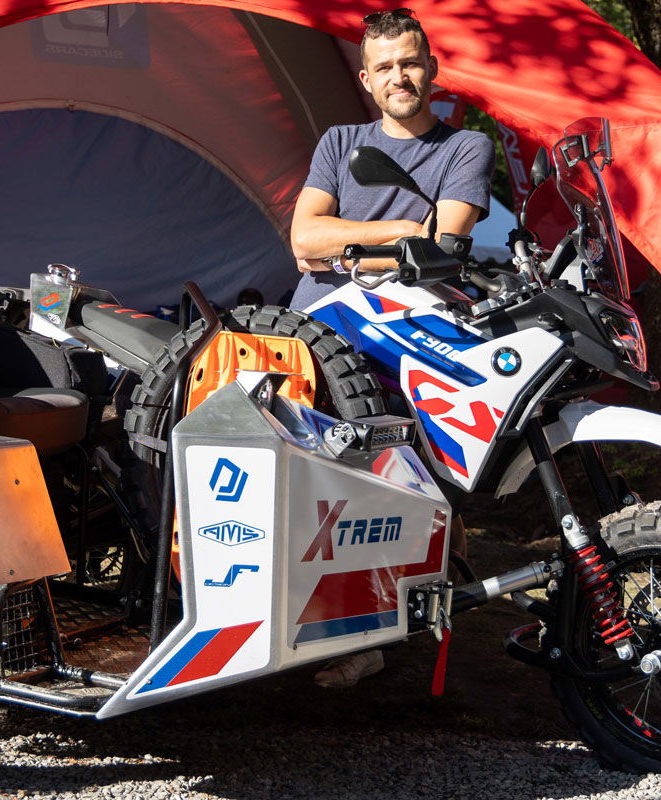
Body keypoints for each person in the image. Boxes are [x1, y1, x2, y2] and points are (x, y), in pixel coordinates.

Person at [290, 8, 492, 688]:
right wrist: (399, 231)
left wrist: (346, 250)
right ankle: (306, 617)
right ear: (367, 80)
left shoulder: (465, 149)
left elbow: (442, 247)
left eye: (409, 63)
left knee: (399, 482)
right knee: (306, 482)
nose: (398, 76)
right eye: (384, 67)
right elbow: (303, 239)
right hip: (315, 330)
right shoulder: (341, 141)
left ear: (431, 68)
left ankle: (382, 628)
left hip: (406, 333)